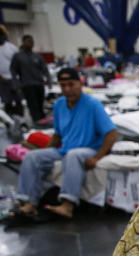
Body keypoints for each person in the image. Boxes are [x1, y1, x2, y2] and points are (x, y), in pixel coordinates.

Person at [8, 67, 117, 222]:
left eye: (71, 84)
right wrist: (45, 154)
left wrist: (98, 157)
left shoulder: (92, 104)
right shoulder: (59, 105)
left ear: (80, 84)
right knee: (32, 157)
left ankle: (68, 204)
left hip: (89, 149)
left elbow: (111, 133)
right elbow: (58, 135)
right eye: (63, 85)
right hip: (66, 149)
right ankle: (29, 203)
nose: (67, 89)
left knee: (73, 156)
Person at [11, 35, 50, 123]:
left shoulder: (37, 56)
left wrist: (49, 80)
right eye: (29, 41)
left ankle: (43, 121)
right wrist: (16, 84)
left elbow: (44, 69)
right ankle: (37, 122)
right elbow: (13, 70)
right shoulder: (18, 57)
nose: (31, 44)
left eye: (32, 42)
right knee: (33, 105)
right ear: (24, 42)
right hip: (27, 85)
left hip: (39, 84)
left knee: (40, 105)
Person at [0, 26, 21, 114]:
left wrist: (16, 79)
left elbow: (19, 63)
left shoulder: (11, 47)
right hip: (2, 81)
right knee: (7, 102)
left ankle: (21, 121)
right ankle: (11, 121)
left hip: (14, 79)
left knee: (18, 101)